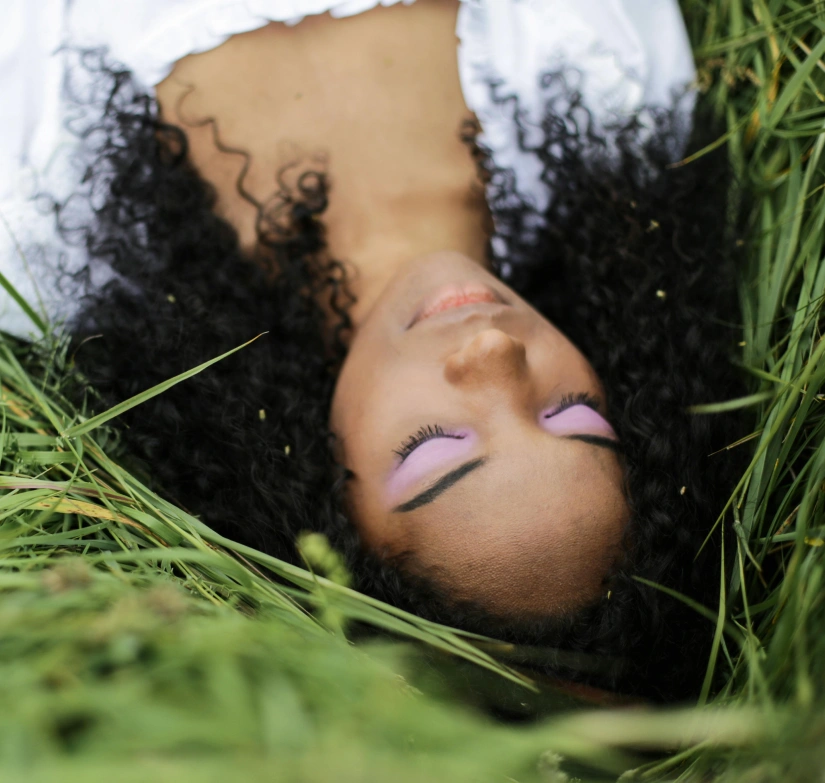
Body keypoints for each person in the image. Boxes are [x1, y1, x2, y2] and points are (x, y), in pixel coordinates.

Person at [0, 0, 743, 700]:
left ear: (329, 506)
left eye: (429, 448)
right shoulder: (596, 81)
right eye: (575, 415)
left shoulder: (53, 234)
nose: (492, 353)